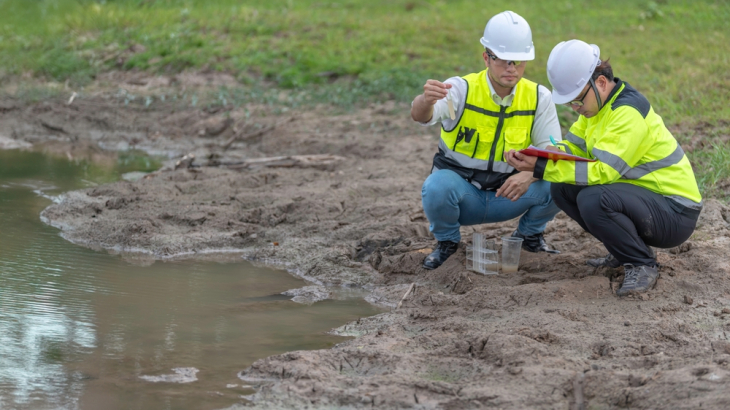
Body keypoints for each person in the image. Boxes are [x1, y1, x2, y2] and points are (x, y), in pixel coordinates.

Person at [506, 39, 703, 296]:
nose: (575, 108)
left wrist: (540, 168)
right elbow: (574, 148)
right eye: (570, 104)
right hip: (645, 200)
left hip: (676, 212)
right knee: (562, 189)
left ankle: (642, 263)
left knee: (594, 198)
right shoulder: (596, 107)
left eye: (577, 101)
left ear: (599, 83)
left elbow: (602, 173)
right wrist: (546, 155)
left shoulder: (627, 113)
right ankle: (625, 250)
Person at [411, 10, 563, 270]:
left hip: (510, 194)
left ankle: (529, 236)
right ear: (486, 57)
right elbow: (421, 116)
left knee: (562, 184)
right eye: (503, 60)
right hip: (462, 195)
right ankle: (447, 242)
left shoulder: (539, 97)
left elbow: (554, 151)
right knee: (436, 187)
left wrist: (531, 175)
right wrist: (425, 100)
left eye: (519, 61)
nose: (511, 68)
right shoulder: (461, 89)